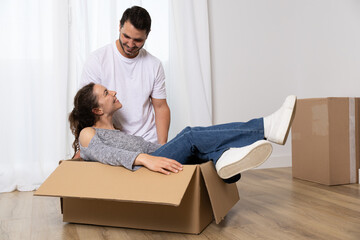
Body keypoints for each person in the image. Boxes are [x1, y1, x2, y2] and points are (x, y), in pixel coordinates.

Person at [69, 83, 297, 182]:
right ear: (97, 109)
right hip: (139, 173)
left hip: (148, 164)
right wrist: (144, 158)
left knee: (192, 141)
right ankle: (265, 127)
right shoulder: (88, 134)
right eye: (107, 92)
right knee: (189, 135)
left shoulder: (120, 132)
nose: (114, 92)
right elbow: (105, 155)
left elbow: (154, 149)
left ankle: (223, 159)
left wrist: (165, 149)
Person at [80, 6, 170, 145]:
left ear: (147, 34)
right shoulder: (97, 60)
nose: (130, 44)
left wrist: (163, 146)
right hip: (112, 141)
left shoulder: (154, 64)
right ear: (119, 26)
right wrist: (85, 146)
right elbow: (87, 108)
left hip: (148, 140)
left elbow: (160, 107)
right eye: (126, 36)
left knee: (190, 139)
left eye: (138, 40)